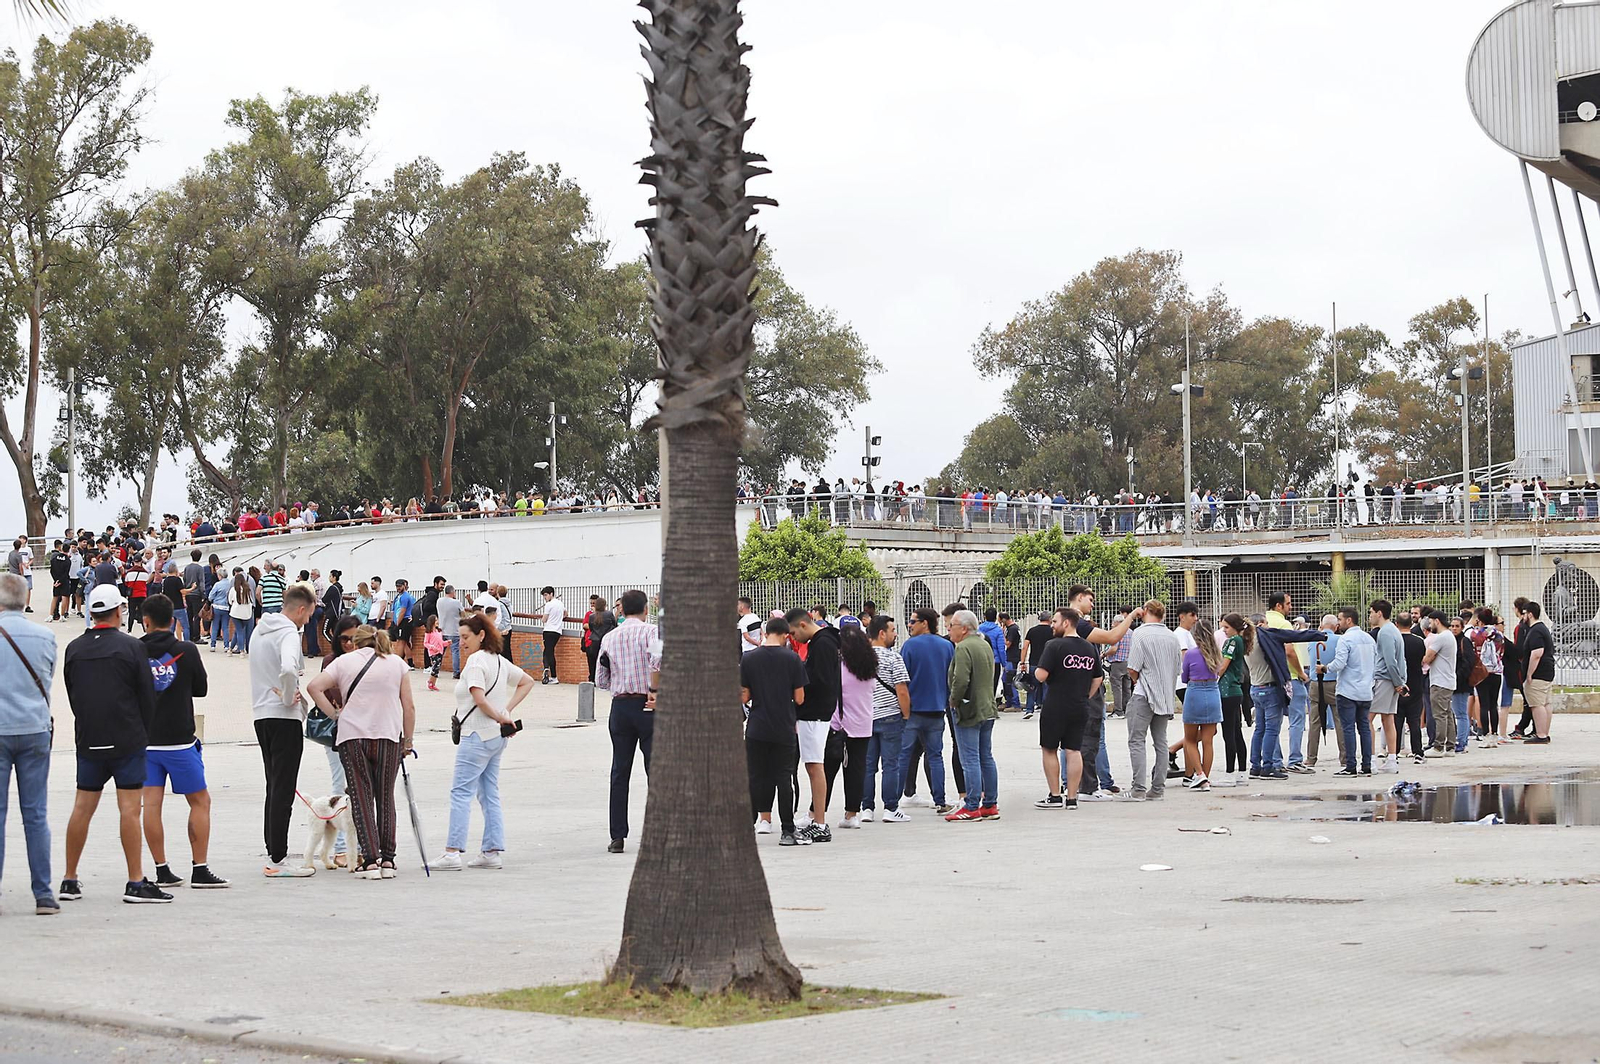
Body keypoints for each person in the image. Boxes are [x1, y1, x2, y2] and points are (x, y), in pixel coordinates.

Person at [60, 584, 168, 904]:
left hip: (90, 738)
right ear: (119, 611)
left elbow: (72, 692)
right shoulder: (132, 647)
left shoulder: (74, 648)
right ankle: (135, 881)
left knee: (82, 807)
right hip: (126, 738)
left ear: (92, 612)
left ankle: (69, 879)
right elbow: (147, 697)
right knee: (130, 810)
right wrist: (143, 732)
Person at [308, 624, 415, 879]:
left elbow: (314, 687)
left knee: (361, 798)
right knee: (385, 797)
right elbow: (408, 706)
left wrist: (334, 714)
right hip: (388, 736)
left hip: (353, 736)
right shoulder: (397, 664)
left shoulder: (344, 662)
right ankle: (388, 859)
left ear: (356, 643)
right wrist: (407, 741)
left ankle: (370, 860)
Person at [137, 594, 227, 890]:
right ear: (174, 620)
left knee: (151, 805)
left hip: (146, 741)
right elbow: (200, 689)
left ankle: (162, 869)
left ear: (145, 621)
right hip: (179, 741)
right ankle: (199, 869)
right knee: (199, 801)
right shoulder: (186, 649)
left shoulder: (134, 649)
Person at [434, 614, 532, 870]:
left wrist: (501, 715)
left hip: (476, 735)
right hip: (495, 738)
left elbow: (479, 699)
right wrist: (506, 712)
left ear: (481, 636)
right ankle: (491, 851)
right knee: (489, 792)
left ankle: (452, 852)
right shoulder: (497, 660)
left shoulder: (476, 662)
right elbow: (526, 681)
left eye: (465, 637)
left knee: (461, 792)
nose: (461, 642)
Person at [0, 573, 58, 913]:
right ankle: (43, 894)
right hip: (35, 727)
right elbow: (47, 677)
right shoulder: (45, 636)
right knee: (35, 814)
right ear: (25, 600)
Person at [250, 583, 317, 878]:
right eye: (309, 615)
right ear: (301, 609)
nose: (308, 621)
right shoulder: (289, 632)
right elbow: (289, 669)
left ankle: (273, 848)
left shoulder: (259, 630)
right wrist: (290, 697)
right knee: (284, 788)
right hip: (283, 716)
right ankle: (278, 857)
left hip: (261, 715)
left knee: (273, 786)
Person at [595, 590, 661, 853]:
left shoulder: (610, 638)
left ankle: (617, 836)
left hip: (620, 706)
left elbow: (601, 678)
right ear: (646, 609)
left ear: (621, 610)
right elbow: (658, 665)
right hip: (648, 705)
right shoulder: (652, 633)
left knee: (619, 771)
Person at [741, 615, 809, 845]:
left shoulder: (749, 658)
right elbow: (799, 698)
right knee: (783, 778)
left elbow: (745, 695)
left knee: (755, 777)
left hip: (757, 726)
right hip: (783, 726)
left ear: (764, 632)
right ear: (784, 634)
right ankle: (788, 831)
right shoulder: (792, 659)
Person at [1032, 607, 1101, 809]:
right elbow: (1098, 677)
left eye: (1055, 621)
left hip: (1055, 705)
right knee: (1073, 750)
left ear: (1066, 623)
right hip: (1079, 705)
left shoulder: (1054, 645)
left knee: (1049, 748)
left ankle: (1055, 796)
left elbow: (1042, 676)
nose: (1052, 625)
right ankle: (1072, 798)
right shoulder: (1089, 648)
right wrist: (1085, 694)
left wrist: (1035, 672)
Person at [785, 607, 842, 843]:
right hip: (816, 712)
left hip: (814, 713)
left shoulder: (823, 644)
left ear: (802, 625)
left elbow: (820, 680)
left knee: (814, 766)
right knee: (813, 765)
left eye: (792, 633)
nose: (792, 638)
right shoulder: (825, 641)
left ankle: (820, 822)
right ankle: (818, 820)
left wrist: (796, 690)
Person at [898, 607, 955, 814]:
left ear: (925, 623)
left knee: (903, 755)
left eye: (913, 621)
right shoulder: (947, 646)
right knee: (935, 755)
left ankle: (893, 802)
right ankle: (940, 800)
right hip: (937, 708)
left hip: (912, 710)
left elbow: (901, 679)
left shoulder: (909, 647)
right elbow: (951, 677)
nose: (910, 625)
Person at [944, 609, 998, 821]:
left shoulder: (963, 647)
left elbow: (961, 680)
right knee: (986, 756)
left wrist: (954, 701)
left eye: (952, 626)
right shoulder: (984, 645)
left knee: (970, 759)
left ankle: (972, 805)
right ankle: (990, 803)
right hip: (987, 707)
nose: (949, 629)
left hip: (969, 709)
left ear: (964, 629)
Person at [824, 624, 878, 828]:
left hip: (839, 725)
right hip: (863, 724)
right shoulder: (870, 667)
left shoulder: (839, 667)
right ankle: (851, 814)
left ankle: (816, 811)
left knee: (828, 770)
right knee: (856, 769)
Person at [1125, 600, 1180, 800]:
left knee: (1137, 740)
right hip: (1165, 696)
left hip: (1144, 693)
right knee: (1161, 742)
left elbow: (1133, 667)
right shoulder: (1172, 637)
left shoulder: (1140, 633)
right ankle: (1157, 789)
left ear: (1146, 611)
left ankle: (1138, 788)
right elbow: (1177, 669)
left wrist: (1136, 679)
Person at [859, 614, 911, 823]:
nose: (895, 634)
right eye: (892, 630)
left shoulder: (858, 659)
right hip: (890, 716)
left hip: (865, 718)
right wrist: (906, 715)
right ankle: (890, 808)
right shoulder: (893, 658)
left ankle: (866, 808)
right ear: (882, 633)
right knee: (891, 765)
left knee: (867, 765)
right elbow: (902, 691)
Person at [1323, 607, 1377, 777]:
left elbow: (1339, 663)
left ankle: (1351, 765)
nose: (1338, 623)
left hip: (1347, 690)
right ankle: (1367, 764)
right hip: (1365, 690)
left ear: (1348, 620)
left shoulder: (1345, 639)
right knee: (1365, 728)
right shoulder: (1369, 639)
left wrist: (1325, 668)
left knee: (1348, 728)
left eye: (1339, 619)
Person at [1178, 617, 1224, 791]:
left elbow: (1184, 676)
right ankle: (1206, 776)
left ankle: (1200, 775)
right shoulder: (1216, 653)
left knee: (1190, 739)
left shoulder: (1191, 653)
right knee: (1208, 741)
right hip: (1213, 692)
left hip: (1195, 693)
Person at [1368, 599, 1406, 773]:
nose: (1370, 616)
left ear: (1379, 613)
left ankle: (1371, 760)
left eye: (1371, 612)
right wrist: (1400, 681)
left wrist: (1398, 683)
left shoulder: (1385, 632)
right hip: (1393, 679)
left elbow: (1390, 661)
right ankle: (1391, 759)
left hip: (1385, 679)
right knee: (1388, 718)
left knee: (1366, 719)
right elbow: (1400, 660)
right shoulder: (1394, 631)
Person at [1217, 615, 1251, 787]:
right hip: (1235, 691)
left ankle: (1230, 773)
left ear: (1235, 627)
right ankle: (1243, 772)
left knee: (1228, 733)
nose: (1224, 630)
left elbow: (1223, 665)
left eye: (1226, 628)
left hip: (1227, 691)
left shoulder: (1231, 642)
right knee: (1237, 732)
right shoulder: (1240, 641)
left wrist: (1212, 676)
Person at [1304, 615, 1341, 769]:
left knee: (1314, 721)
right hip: (1334, 683)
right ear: (1336, 627)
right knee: (1339, 720)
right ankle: (1345, 758)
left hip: (1315, 683)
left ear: (1321, 626)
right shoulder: (1340, 640)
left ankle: (1311, 758)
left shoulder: (1312, 640)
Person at [1422, 610, 1459, 757]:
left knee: (1439, 715)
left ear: (1437, 621)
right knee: (1448, 714)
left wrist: (1425, 657)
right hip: (1448, 680)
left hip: (1439, 681)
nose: (1430, 625)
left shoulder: (1441, 638)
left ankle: (1438, 746)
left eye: (1431, 622)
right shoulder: (1450, 636)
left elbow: (1428, 658)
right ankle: (1450, 746)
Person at [1519, 601, 1555, 744]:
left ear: (1530, 614)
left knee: (1537, 704)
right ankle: (1544, 733)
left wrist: (1529, 674)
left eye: (1524, 614)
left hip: (1538, 673)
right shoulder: (1542, 629)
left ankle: (1541, 734)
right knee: (1546, 703)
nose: (1522, 617)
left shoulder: (1535, 631)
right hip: (1547, 671)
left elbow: (1537, 653)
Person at [1470, 608, 1507, 747]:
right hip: (1496, 671)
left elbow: (1473, 652)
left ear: (1479, 619)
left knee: (1483, 704)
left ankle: (1485, 734)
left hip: (1481, 671)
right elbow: (1501, 652)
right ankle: (1495, 735)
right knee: (1493, 704)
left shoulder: (1475, 634)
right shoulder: (1499, 634)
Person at [1018, 611, 1054, 722]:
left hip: (1034, 662)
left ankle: (1029, 709)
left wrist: (1022, 662)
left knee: (1032, 686)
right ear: (1050, 619)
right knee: (1047, 687)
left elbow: (1025, 647)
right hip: (1049, 662)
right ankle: (1046, 709)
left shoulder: (1032, 631)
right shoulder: (1053, 631)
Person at [536, 586, 565, 683]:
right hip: (557, 631)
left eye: (546, 595)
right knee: (547, 651)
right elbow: (566, 614)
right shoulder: (560, 604)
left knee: (549, 652)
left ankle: (553, 676)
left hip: (548, 630)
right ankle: (546, 668)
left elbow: (544, 619)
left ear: (551, 594)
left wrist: (543, 619)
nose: (545, 597)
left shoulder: (549, 605)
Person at [434, 585, 463, 681]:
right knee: (455, 652)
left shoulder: (439, 601)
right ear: (452, 592)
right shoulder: (456, 602)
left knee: (439, 651)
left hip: (442, 630)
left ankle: (435, 670)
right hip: (454, 630)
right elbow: (462, 614)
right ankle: (456, 672)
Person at [389, 578, 416, 666]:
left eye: (400, 586)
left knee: (401, 642)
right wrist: (393, 621)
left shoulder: (405, 596)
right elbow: (394, 610)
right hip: (397, 621)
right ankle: (410, 663)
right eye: (397, 586)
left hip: (404, 621)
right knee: (403, 643)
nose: (398, 588)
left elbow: (403, 611)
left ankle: (398, 663)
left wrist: (397, 623)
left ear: (404, 586)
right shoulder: (397, 597)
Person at [422, 616, 446, 690]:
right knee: (435, 667)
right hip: (433, 653)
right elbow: (425, 643)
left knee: (437, 668)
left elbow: (441, 642)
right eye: (436, 620)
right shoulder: (428, 633)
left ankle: (433, 683)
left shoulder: (439, 632)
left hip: (440, 651)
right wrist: (432, 647)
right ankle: (430, 681)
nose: (437, 622)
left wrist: (446, 643)